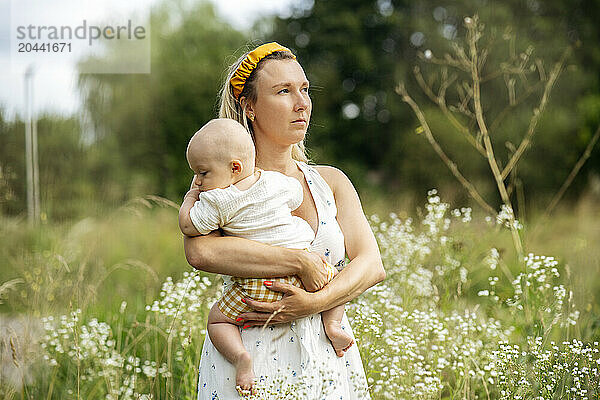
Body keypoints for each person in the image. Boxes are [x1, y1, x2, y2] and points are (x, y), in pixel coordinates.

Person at [184, 42, 385, 399]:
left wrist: (313, 304)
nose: (302, 103)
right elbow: (200, 253)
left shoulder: (331, 182)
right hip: (248, 358)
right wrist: (300, 261)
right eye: (284, 91)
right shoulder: (222, 179)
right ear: (250, 107)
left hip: (326, 353)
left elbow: (372, 265)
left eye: (304, 90)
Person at [178, 118, 354, 394]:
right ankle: (332, 325)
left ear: (234, 168)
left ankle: (240, 356)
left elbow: (190, 225)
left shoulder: (217, 200)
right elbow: (295, 199)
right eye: (283, 91)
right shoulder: (277, 182)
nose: (199, 181)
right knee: (339, 279)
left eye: (202, 173)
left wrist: (190, 199)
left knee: (217, 319)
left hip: (255, 290)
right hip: (305, 277)